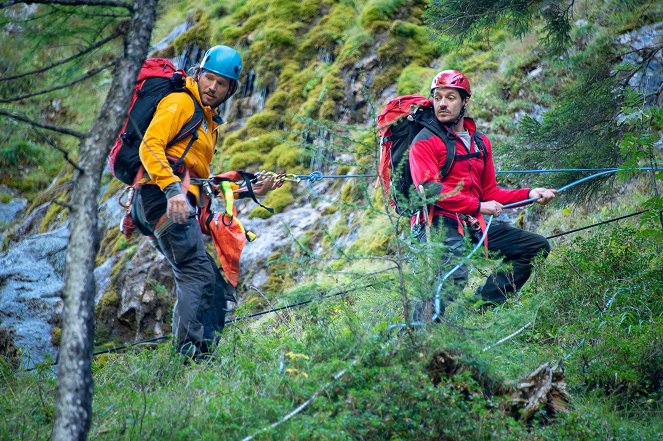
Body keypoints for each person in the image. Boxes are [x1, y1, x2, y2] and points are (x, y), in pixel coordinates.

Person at [133, 45, 274, 359]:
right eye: (209, 78)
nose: (213, 87)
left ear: (229, 90)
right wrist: (172, 191)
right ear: (198, 74)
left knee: (210, 281)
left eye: (221, 83)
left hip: (169, 198)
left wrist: (251, 190)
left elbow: (199, 183)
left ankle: (204, 355)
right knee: (196, 273)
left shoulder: (208, 121)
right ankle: (189, 360)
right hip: (161, 197)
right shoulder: (181, 102)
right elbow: (150, 146)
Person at [409, 69, 557, 312]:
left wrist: (530, 194)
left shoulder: (480, 143)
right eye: (437, 98)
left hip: (471, 223)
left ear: (465, 100)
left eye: (450, 97)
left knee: (534, 247)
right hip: (437, 223)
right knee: (453, 277)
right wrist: (477, 206)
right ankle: (417, 334)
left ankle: (477, 309)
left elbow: (491, 193)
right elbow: (429, 189)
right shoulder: (424, 141)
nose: (442, 104)